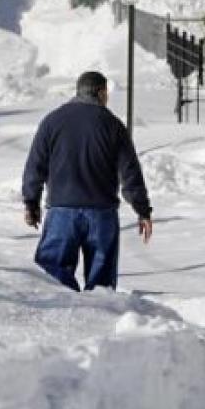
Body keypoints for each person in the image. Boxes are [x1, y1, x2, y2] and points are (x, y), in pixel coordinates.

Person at [22, 71, 152, 291]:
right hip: (102, 213)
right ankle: (98, 312)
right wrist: (143, 211)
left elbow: (35, 166)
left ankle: (63, 312)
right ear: (100, 92)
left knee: (54, 281)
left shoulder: (52, 121)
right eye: (106, 93)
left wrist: (31, 202)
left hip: (61, 211)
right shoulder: (112, 125)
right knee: (101, 287)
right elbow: (130, 173)